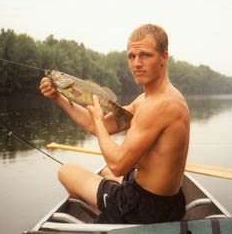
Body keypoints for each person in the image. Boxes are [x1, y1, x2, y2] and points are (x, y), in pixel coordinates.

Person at [39, 24, 190, 224]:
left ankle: (108, 220)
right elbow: (96, 127)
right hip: (168, 202)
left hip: (143, 209)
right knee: (105, 172)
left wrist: (99, 122)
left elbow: (118, 164)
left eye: (145, 55)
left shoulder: (159, 105)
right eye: (131, 56)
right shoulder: (149, 99)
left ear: (164, 57)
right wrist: (59, 97)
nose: (136, 63)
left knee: (66, 171)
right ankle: (108, 211)